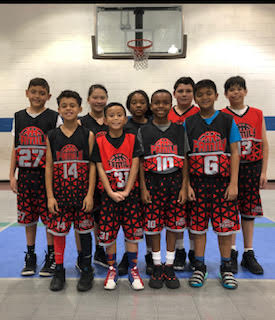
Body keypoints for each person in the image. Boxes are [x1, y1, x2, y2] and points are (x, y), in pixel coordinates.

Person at [185, 79, 241, 289]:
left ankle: (226, 267)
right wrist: (187, 185)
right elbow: (186, 156)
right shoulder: (188, 123)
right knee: (198, 229)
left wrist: (233, 183)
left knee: (225, 229)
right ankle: (199, 267)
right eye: (200, 94)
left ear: (217, 96)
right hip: (198, 184)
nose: (204, 97)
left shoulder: (227, 120)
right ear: (195, 98)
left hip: (222, 184)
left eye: (209, 93)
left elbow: (235, 153)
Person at [9, 77, 61, 277]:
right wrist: (11, 175)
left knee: (49, 218)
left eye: (41, 93)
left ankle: (50, 256)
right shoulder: (18, 116)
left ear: (48, 96)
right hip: (25, 175)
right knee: (28, 219)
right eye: (34, 92)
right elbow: (15, 148)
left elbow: (57, 148)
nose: (37, 96)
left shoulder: (54, 117)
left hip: (46, 177)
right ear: (27, 93)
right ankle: (30, 255)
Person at [91, 102, 144, 290]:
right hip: (108, 197)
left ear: (125, 118)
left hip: (130, 195)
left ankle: (133, 269)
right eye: (111, 115)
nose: (115, 118)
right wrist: (111, 192)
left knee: (132, 234)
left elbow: (135, 166)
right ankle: (112, 269)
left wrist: (128, 190)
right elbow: (100, 169)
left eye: (119, 114)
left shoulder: (132, 138)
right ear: (105, 120)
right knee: (109, 234)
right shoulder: (99, 141)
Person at [45, 90, 95, 292]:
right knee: (59, 232)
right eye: (64, 105)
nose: (68, 109)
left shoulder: (87, 134)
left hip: (82, 194)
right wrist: (50, 196)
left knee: (84, 232)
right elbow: (48, 166)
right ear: (58, 110)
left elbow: (92, 165)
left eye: (72, 105)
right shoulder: (52, 135)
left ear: (80, 109)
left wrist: (90, 194)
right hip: (60, 195)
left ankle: (86, 269)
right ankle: (59, 270)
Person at [139, 89, 188, 289]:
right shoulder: (144, 131)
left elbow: (185, 161)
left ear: (171, 104)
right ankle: (157, 264)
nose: (161, 106)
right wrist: (142, 187)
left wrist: (184, 187)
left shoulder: (179, 130)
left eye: (165, 102)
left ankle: (169, 264)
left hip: (174, 182)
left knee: (174, 226)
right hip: (152, 182)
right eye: (157, 102)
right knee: (153, 226)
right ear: (151, 106)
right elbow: (140, 162)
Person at [222, 75, 269, 274]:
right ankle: (231, 252)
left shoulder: (257, 113)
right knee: (230, 210)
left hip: (251, 166)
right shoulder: (221, 115)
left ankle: (248, 252)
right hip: (229, 169)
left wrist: (264, 171)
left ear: (246, 91)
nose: (236, 92)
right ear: (225, 94)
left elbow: (264, 143)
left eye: (239, 88)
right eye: (231, 89)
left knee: (249, 213)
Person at [118, 89, 154, 276]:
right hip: (129, 180)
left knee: (149, 220)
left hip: (152, 178)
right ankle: (128, 254)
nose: (138, 105)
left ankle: (149, 256)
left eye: (142, 102)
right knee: (129, 221)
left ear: (147, 105)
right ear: (128, 105)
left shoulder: (153, 124)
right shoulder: (125, 126)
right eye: (134, 102)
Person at [168, 77, 200, 271]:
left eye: (188, 91)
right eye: (180, 91)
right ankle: (179, 250)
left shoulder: (199, 113)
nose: (184, 94)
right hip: (173, 171)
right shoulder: (167, 114)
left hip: (196, 170)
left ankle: (194, 251)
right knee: (178, 212)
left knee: (194, 214)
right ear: (174, 93)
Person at [79, 84, 109, 270]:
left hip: (109, 177)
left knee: (103, 217)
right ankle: (82, 254)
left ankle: (100, 250)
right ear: (88, 99)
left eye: (102, 97)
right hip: (88, 177)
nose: (99, 101)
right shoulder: (81, 122)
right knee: (85, 218)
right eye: (95, 97)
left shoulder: (113, 119)